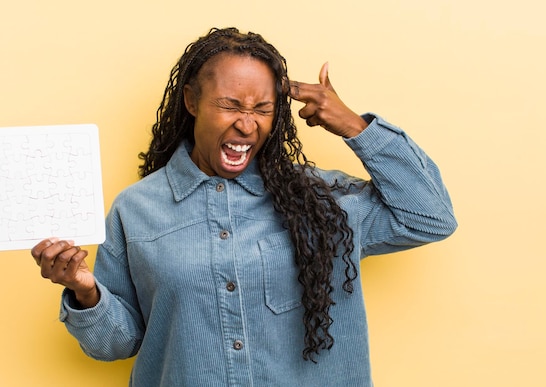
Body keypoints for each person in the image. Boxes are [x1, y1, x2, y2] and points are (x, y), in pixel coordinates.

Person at [31, 27, 457, 386]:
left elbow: (430, 217)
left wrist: (354, 126)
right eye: (230, 104)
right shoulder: (136, 210)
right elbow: (118, 344)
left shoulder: (322, 199)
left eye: (263, 109)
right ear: (192, 102)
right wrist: (86, 292)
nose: (247, 123)